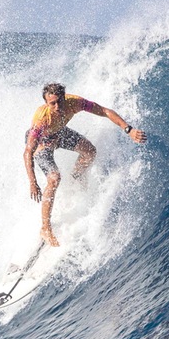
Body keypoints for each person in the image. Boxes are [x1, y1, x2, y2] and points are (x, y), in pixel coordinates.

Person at [24, 82, 147, 246]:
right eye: (52, 103)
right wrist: (33, 182)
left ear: (64, 97)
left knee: (89, 151)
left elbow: (104, 111)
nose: (57, 106)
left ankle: (76, 177)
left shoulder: (75, 102)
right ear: (46, 103)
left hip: (59, 133)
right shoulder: (41, 120)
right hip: (42, 143)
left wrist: (128, 129)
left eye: (59, 101)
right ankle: (45, 228)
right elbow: (27, 152)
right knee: (54, 178)